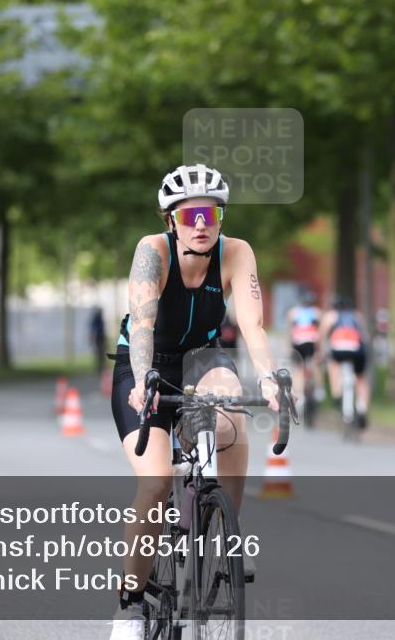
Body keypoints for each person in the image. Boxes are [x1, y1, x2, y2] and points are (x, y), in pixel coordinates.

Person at [108, 164, 281, 639]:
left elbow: (251, 324)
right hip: (145, 362)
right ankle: (129, 606)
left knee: (234, 418)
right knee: (156, 481)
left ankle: (223, 527)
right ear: (171, 221)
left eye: (211, 213)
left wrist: (267, 379)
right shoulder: (152, 251)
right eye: (190, 216)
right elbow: (142, 325)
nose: (201, 223)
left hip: (204, 357)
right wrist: (144, 380)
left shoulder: (237, 253)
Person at [320, 295, 371, 428]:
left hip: (339, 349)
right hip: (357, 350)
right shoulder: (357, 316)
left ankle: (337, 394)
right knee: (361, 378)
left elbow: (322, 337)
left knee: (333, 366)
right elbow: (365, 336)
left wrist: (320, 352)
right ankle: (362, 409)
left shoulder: (331, 316)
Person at [287, 289, 323, 415]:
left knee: (297, 370)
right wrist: (320, 350)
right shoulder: (317, 313)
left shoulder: (293, 313)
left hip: (298, 342)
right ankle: (319, 389)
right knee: (315, 363)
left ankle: (300, 395)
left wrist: (289, 348)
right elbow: (320, 333)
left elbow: (290, 333)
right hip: (311, 342)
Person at [90, 307, 107, 374]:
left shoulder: (99, 319)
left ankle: (101, 368)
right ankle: (99, 368)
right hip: (98, 338)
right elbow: (94, 330)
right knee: (99, 353)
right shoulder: (97, 320)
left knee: (101, 354)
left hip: (101, 338)